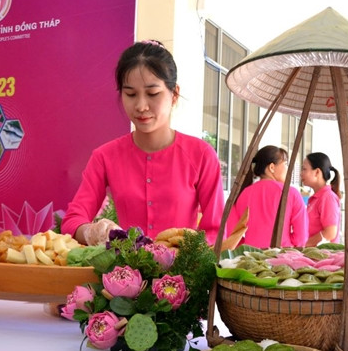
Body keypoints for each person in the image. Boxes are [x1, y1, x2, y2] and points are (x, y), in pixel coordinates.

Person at [61, 40, 225, 246]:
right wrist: (90, 232)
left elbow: (216, 231)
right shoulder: (105, 156)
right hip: (125, 265)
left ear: (174, 94)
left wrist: (185, 252)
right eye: (130, 94)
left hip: (185, 265)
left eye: (152, 93)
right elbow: (73, 220)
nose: (140, 106)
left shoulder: (201, 155)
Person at [226, 145, 308, 248]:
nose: (288, 169)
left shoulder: (243, 193)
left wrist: (247, 247)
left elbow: (230, 232)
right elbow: (301, 237)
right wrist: (287, 246)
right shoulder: (291, 193)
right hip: (282, 254)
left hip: (252, 255)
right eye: (285, 164)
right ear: (272, 167)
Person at [300, 152, 341, 246]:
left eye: (304, 169)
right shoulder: (316, 198)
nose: (301, 174)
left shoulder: (328, 197)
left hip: (322, 253)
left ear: (317, 172)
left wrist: (303, 245)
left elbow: (330, 233)